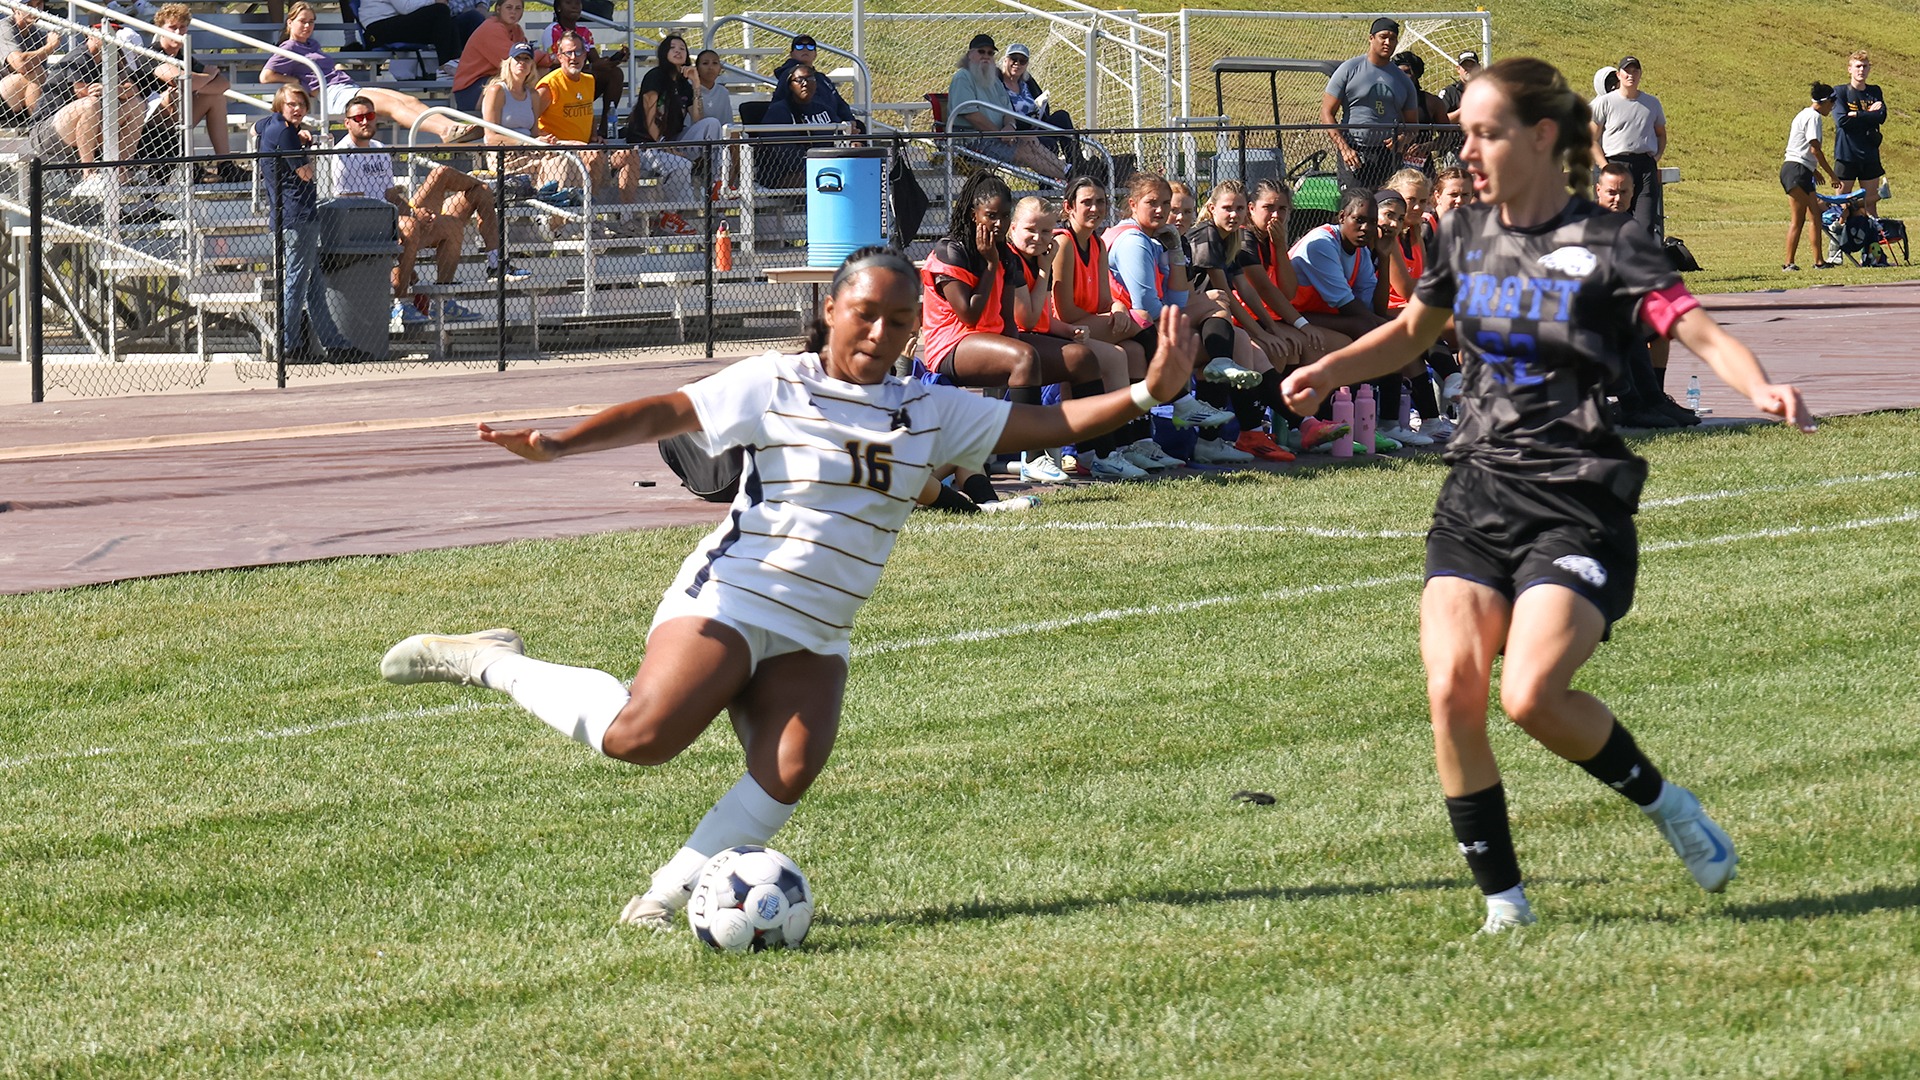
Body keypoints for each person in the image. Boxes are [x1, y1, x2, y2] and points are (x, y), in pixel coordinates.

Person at [378, 246, 1199, 931]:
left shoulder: (929, 409)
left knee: (791, 766)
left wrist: (1147, 394)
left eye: (900, 321)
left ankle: (663, 897)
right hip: (733, 595)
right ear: (832, 309)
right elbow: (667, 411)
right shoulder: (775, 381)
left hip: (820, 628)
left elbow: (1046, 426)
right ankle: (487, 660)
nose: (881, 332)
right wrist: (562, 445)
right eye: (866, 313)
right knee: (642, 737)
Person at [1281, 56, 1814, 936]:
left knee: (1528, 695)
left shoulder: (1610, 243)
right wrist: (1327, 367)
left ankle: (1666, 803)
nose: (1469, 146)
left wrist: (1757, 386)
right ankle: (1505, 903)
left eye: (1486, 131)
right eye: (1465, 133)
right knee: (1452, 687)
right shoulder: (1462, 235)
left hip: (1577, 497)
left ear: (1539, 138)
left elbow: (1695, 327)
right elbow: (1413, 333)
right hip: (1477, 491)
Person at [921, 171, 1124, 480]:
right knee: (1023, 357)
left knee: (1081, 358)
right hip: (952, 345)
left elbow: (1007, 322)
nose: (998, 223)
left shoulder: (1004, 254)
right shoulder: (951, 251)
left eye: (1004, 215)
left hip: (992, 340)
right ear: (971, 213)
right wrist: (989, 265)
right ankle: (1032, 454)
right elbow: (970, 316)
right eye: (991, 216)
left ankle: (1098, 455)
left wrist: (1030, 343)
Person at [1006, 195, 1176, 475]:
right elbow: (1036, 317)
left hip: (1047, 331)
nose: (1039, 237)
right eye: (1031, 230)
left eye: (1045, 231)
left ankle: (1125, 445)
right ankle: (1096, 450)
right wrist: (1048, 278)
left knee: (1125, 353)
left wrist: (1113, 310)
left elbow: (1058, 315)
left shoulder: (1089, 245)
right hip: (1015, 339)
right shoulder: (1047, 251)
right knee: (1101, 349)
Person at [326, 94, 523, 326]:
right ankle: (401, 305)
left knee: (453, 224)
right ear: (347, 122)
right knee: (411, 223)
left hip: (395, 217)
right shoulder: (342, 154)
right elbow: (352, 206)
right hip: (368, 225)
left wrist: (413, 212)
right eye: (358, 117)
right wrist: (408, 215)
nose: (364, 121)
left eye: (369, 116)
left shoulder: (379, 148)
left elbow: (390, 195)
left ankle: (445, 299)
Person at [1108, 172, 1257, 463]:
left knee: (1235, 337)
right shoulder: (1134, 241)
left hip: (1140, 324)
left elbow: (1176, 300)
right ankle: (1148, 435)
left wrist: (1175, 250)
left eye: (1167, 204)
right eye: (1154, 203)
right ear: (1133, 204)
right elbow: (1149, 307)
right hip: (1128, 324)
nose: (1163, 211)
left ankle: (1214, 438)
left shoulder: (1158, 239)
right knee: (1216, 306)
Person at [1187, 181, 1304, 461]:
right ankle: (1250, 433)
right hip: (1195, 320)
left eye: (1239, 208)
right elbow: (1224, 294)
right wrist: (1260, 333)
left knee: (1257, 351)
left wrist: (1272, 330)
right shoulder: (1206, 234)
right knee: (1243, 344)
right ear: (1211, 208)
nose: (1234, 214)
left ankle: (1299, 425)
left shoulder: (1232, 237)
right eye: (1227, 208)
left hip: (1213, 322)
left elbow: (1246, 290)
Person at [262, 3, 480, 142]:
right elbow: (266, 76)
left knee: (410, 100)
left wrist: (337, 68)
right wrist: (297, 82)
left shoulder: (312, 44)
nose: (308, 26)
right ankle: (445, 132)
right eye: (302, 21)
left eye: (311, 22)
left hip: (345, 87)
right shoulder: (289, 47)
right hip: (334, 95)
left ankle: (452, 127)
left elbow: (322, 65)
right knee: (394, 105)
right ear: (290, 22)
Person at [257, 84, 347, 360]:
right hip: (297, 216)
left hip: (289, 216)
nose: (297, 109)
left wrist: (298, 134)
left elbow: (255, 128)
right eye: (291, 104)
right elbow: (306, 173)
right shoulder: (285, 132)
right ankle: (288, 344)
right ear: (280, 106)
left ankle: (336, 344)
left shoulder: (271, 125)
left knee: (314, 284)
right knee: (296, 282)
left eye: (301, 104)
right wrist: (305, 144)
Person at [29, 25, 148, 199]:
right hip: (48, 130)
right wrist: (112, 91)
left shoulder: (112, 57)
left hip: (88, 127)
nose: (109, 37)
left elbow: (132, 89)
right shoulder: (80, 56)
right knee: (90, 104)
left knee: (136, 105)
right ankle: (88, 174)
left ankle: (120, 171)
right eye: (105, 33)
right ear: (90, 34)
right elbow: (83, 92)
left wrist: (112, 89)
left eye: (112, 33)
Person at [623, 33, 723, 216]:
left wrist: (696, 84)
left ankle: (717, 184)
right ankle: (671, 215)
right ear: (664, 53)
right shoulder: (655, 76)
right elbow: (648, 117)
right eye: (673, 48)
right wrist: (664, 144)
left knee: (712, 124)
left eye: (682, 48)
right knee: (681, 165)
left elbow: (698, 120)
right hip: (646, 146)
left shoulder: (685, 83)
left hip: (673, 141)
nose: (678, 51)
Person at [536, 32, 639, 209]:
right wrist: (559, 142)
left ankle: (627, 218)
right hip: (559, 152)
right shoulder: (549, 85)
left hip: (586, 148)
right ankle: (589, 217)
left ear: (586, 55)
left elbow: (587, 110)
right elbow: (529, 122)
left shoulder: (589, 80)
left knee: (631, 155)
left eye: (578, 52)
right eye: (568, 53)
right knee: (594, 157)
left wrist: (594, 136)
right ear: (560, 57)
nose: (574, 57)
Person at [945, 33, 1065, 182]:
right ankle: (1072, 177)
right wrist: (999, 134)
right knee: (1024, 151)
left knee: (1031, 140)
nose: (986, 56)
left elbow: (1008, 111)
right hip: (972, 139)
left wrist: (1010, 126)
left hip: (996, 137)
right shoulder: (963, 77)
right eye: (981, 52)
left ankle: (1070, 172)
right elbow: (971, 115)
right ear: (970, 55)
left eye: (990, 53)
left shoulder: (993, 80)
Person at [1321, 17, 1418, 193]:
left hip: (1387, 156)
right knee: (1355, 207)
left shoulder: (1403, 80)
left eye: (1393, 38)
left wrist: (1403, 139)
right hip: (1354, 152)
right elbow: (1327, 113)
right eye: (1383, 37)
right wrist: (1345, 149)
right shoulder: (1349, 69)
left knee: (1386, 207)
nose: (1388, 42)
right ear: (1371, 38)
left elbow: (1413, 125)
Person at [146, 3, 239, 182]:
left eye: (182, 27)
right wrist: (206, 76)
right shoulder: (152, 53)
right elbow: (179, 80)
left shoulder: (184, 54)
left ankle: (225, 165)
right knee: (174, 94)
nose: (178, 32)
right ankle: (192, 165)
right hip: (147, 125)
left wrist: (196, 83)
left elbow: (223, 84)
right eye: (172, 27)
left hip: (176, 121)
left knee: (215, 97)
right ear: (160, 28)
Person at [1588, 55, 1665, 236]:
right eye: (1627, 71)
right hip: (1616, 163)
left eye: (1635, 71)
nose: (1631, 75)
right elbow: (1591, 139)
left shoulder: (1652, 103)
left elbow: (1661, 134)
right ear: (1619, 75)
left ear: (1640, 74)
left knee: (1645, 223)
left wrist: (1656, 157)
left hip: (1644, 166)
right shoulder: (1605, 102)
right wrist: (1605, 166)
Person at [757, 63, 858, 188]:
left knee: (855, 173)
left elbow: (838, 138)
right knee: (824, 180)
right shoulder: (779, 112)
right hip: (784, 174)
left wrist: (852, 143)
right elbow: (784, 154)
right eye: (799, 80)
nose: (805, 83)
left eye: (809, 79)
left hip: (826, 167)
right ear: (790, 86)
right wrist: (817, 165)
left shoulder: (824, 109)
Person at [543, 0, 623, 138]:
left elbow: (596, 62)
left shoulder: (584, 31)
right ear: (559, 8)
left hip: (582, 78)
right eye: (569, 3)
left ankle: (604, 130)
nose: (575, 6)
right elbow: (554, 64)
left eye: (578, 3)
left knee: (615, 73)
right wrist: (593, 66)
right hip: (562, 81)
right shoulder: (553, 30)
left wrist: (614, 60)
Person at [1782, 81, 1839, 272]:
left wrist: (1814, 170)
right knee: (1807, 217)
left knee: (1809, 217)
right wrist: (1833, 175)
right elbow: (1815, 149)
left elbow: (1801, 147)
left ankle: (1812, 261)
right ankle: (1798, 262)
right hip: (1797, 171)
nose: (1832, 108)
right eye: (1832, 103)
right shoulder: (1814, 117)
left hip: (1797, 169)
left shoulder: (1803, 114)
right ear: (1825, 102)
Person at [451, 0, 534, 112]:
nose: (513, 12)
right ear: (498, 9)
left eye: (518, 8)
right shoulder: (491, 28)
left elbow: (528, 58)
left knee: (536, 72)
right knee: (518, 74)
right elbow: (513, 59)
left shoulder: (517, 30)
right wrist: (550, 58)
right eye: (509, 7)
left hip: (492, 80)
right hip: (471, 89)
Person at [1833, 51, 1886, 220]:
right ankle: (1838, 245)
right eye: (1858, 66)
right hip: (1846, 155)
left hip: (1869, 155)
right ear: (1849, 69)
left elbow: (1881, 116)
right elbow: (1842, 121)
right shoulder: (1840, 92)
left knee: (1870, 207)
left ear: (1869, 69)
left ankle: (1872, 245)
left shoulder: (1874, 91)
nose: (1861, 70)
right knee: (1842, 206)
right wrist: (1869, 113)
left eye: (1865, 66)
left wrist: (1858, 115)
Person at [999, 42, 1074, 160]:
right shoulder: (997, 83)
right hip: (1018, 132)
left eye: (1022, 61)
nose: (1017, 63)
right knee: (1049, 143)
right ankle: (1052, 176)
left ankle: (1076, 163)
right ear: (1005, 60)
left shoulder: (1027, 82)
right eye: (1013, 59)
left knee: (1062, 117)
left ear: (1026, 64)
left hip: (1036, 125)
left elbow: (1042, 103)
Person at [357, 0, 458, 76]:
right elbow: (405, 7)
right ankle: (444, 67)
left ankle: (457, 64)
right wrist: (435, 1)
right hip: (378, 29)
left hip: (396, 22)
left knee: (460, 20)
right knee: (440, 10)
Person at [1391, 50, 1452, 171]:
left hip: (1421, 167)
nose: (1402, 77)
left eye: (1407, 72)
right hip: (1387, 166)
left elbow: (1447, 135)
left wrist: (1427, 146)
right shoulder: (1386, 99)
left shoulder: (1431, 102)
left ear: (1416, 74)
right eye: (1398, 72)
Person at [0, 0, 60, 120]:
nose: (35, 10)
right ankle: (38, 125)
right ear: (14, 8)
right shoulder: (4, 27)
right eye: (29, 5)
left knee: (52, 78)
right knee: (36, 72)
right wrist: (49, 48)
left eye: (39, 4)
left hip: (18, 100)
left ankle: (40, 123)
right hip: (3, 97)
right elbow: (21, 64)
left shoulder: (35, 34)